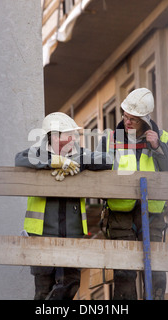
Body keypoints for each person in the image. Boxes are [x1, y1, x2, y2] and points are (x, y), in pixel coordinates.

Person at [99, 88, 168, 300]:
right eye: (125, 116)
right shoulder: (110, 140)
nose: (127, 122)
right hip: (120, 215)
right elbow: (98, 172)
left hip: (152, 214)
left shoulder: (163, 139)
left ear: (145, 121)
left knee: (156, 271)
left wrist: (158, 147)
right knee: (124, 274)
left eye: (134, 119)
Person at [15, 112, 111, 300]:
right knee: (43, 290)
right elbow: (20, 159)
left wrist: (77, 163)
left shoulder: (78, 154)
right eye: (69, 134)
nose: (73, 138)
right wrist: (53, 162)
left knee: (72, 282)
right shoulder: (37, 154)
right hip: (41, 233)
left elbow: (106, 160)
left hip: (71, 233)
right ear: (54, 136)